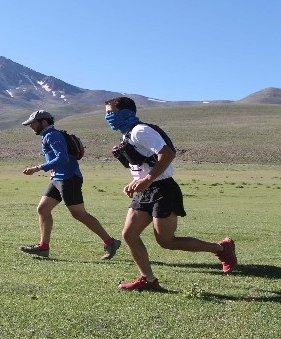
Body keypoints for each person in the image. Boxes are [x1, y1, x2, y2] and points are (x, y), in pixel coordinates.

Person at [104, 96, 237, 291]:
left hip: (163, 189)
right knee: (129, 234)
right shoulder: (127, 135)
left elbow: (167, 154)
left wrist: (147, 180)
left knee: (166, 241)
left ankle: (221, 248)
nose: (107, 117)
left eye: (110, 113)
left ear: (125, 113)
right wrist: (135, 181)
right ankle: (148, 280)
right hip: (146, 190)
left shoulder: (141, 131)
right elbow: (146, 164)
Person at [20, 110, 121, 260]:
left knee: (79, 213)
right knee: (43, 208)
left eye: (33, 123)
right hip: (58, 178)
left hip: (68, 178)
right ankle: (43, 247)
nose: (31, 127)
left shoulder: (52, 135)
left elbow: (63, 158)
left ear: (44, 122)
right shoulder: (49, 135)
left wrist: (38, 168)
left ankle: (110, 242)